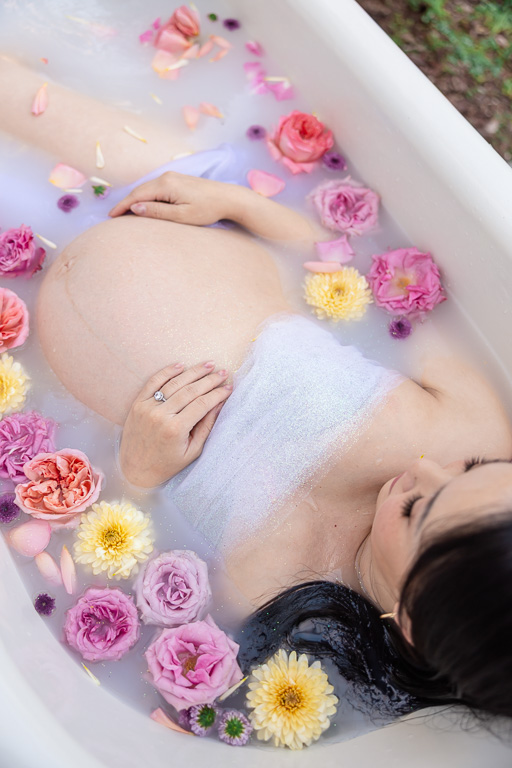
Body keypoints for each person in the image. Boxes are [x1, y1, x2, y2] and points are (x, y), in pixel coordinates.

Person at [3, 57, 512, 720]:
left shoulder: (277, 606)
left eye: (419, 512)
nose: (429, 470)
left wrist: (138, 472)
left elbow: (129, 540)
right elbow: (381, 285)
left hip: (21, 335)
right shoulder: (469, 432)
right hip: (184, 199)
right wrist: (244, 204)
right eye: (474, 471)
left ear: (410, 622)